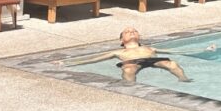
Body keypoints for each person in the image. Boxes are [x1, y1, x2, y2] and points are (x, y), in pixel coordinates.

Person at [53, 27, 205, 83]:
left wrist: (203, 49)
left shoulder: (149, 47)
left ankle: (183, 78)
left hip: (151, 59)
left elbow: (174, 52)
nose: (131, 32)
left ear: (139, 36)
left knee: (171, 63)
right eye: (127, 32)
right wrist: (67, 62)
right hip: (132, 61)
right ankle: (130, 84)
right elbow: (93, 59)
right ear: (122, 40)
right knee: (128, 69)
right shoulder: (118, 51)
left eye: (134, 31)